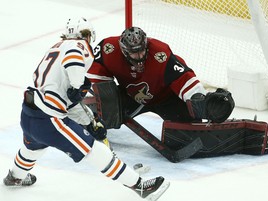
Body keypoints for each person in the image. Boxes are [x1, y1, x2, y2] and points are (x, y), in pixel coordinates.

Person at [3, 18, 169, 201]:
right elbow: (74, 59)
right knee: (94, 151)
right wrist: (78, 83)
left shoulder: (55, 47)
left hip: (29, 113)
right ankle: (140, 186)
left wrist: (89, 121)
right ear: (87, 35)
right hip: (49, 120)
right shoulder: (77, 45)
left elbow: (68, 100)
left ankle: (15, 176)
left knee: (31, 149)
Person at [86, 26, 234, 130]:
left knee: (190, 126)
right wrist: (106, 97)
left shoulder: (160, 54)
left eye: (142, 51)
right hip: (131, 97)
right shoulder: (109, 49)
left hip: (166, 99)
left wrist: (199, 98)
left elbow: (183, 77)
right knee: (102, 119)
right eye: (134, 53)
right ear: (124, 51)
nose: (139, 57)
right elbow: (94, 68)